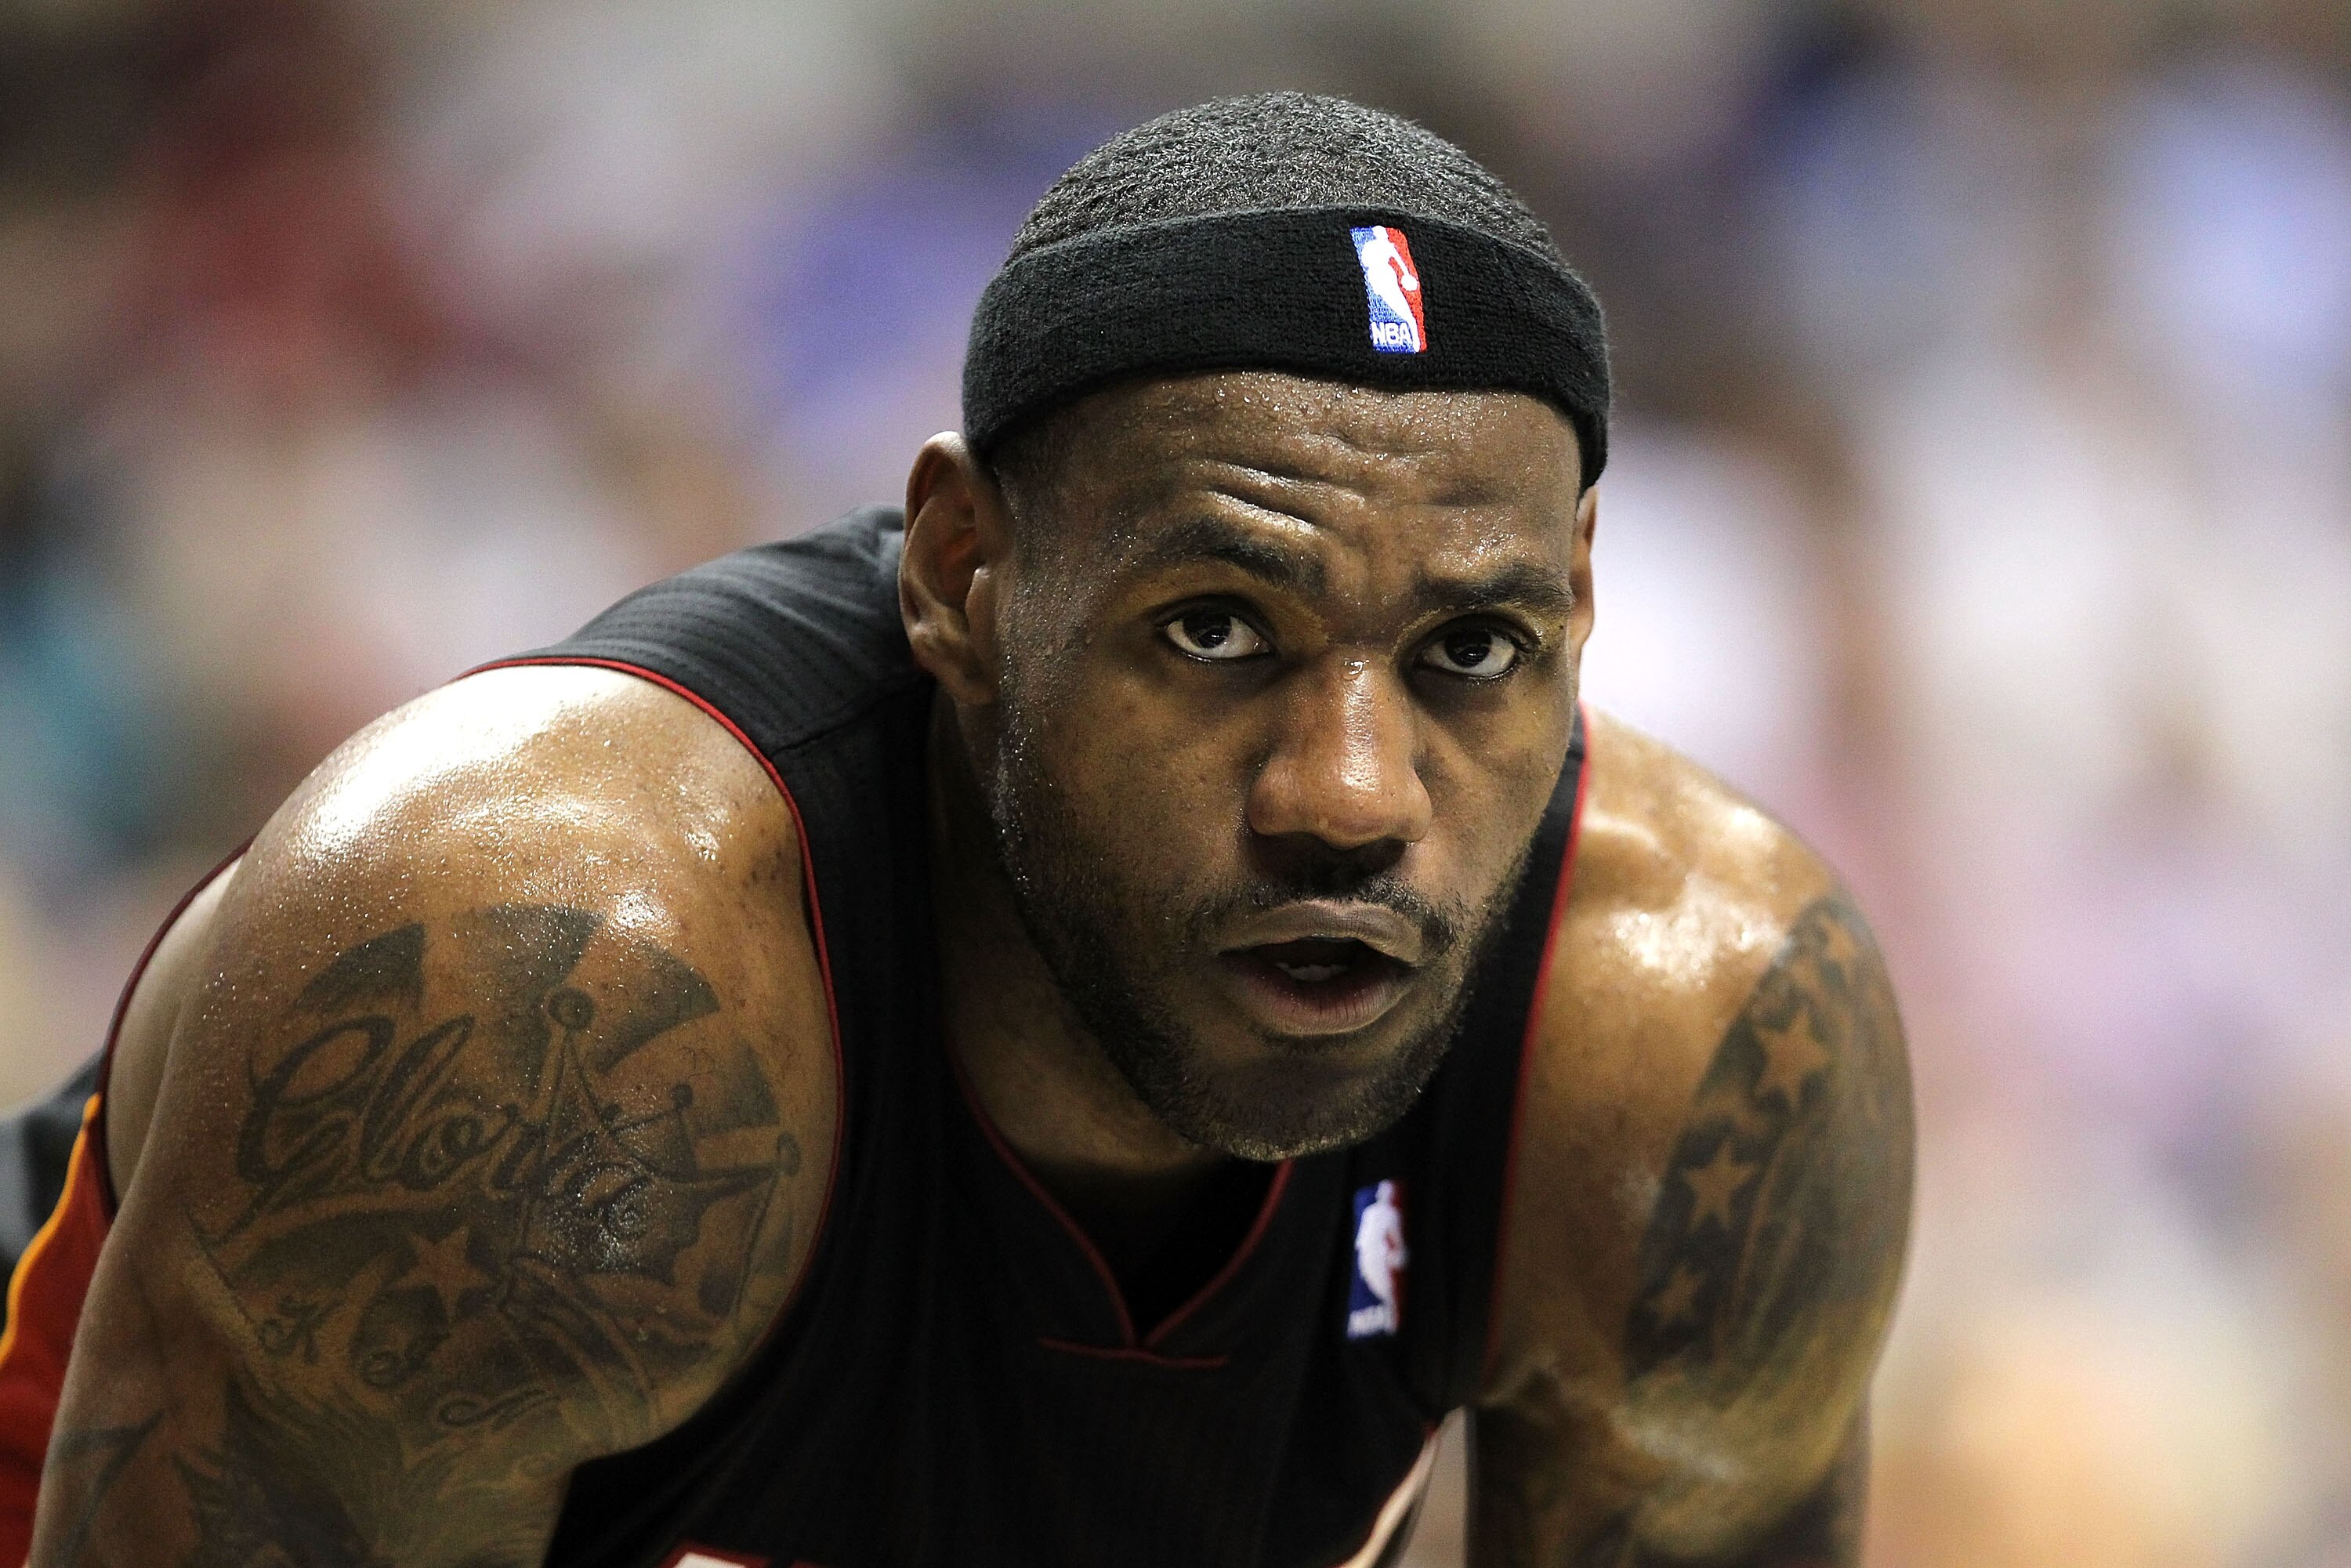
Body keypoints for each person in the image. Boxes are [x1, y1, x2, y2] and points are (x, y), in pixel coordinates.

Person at [0, 93, 1912, 1568]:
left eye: (1472, 650)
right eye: (1219, 627)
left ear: (1585, 604)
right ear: (964, 576)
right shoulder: (556, 996)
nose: (1351, 793)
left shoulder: (1692, 1048)